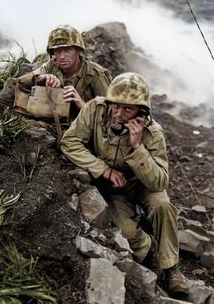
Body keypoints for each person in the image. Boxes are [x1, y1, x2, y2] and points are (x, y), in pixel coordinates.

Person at [60, 72, 188, 299]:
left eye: (127, 109)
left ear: (141, 112)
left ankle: (171, 269)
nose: (118, 114)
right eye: (115, 106)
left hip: (142, 184)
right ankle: (150, 251)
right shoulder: (94, 110)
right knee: (128, 233)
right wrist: (103, 170)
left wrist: (138, 148)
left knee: (163, 205)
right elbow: (70, 142)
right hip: (113, 188)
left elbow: (159, 181)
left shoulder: (153, 133)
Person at [15, 24, 112, 121]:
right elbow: (19, 83)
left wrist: (82, 105)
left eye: (67, 50)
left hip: (84, 127)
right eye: (57, 51)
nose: (62, 56)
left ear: (78, 50)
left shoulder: (96, 74)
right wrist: (39, 78)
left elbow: (111, 114)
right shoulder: (51, 67)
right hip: (54, 124)